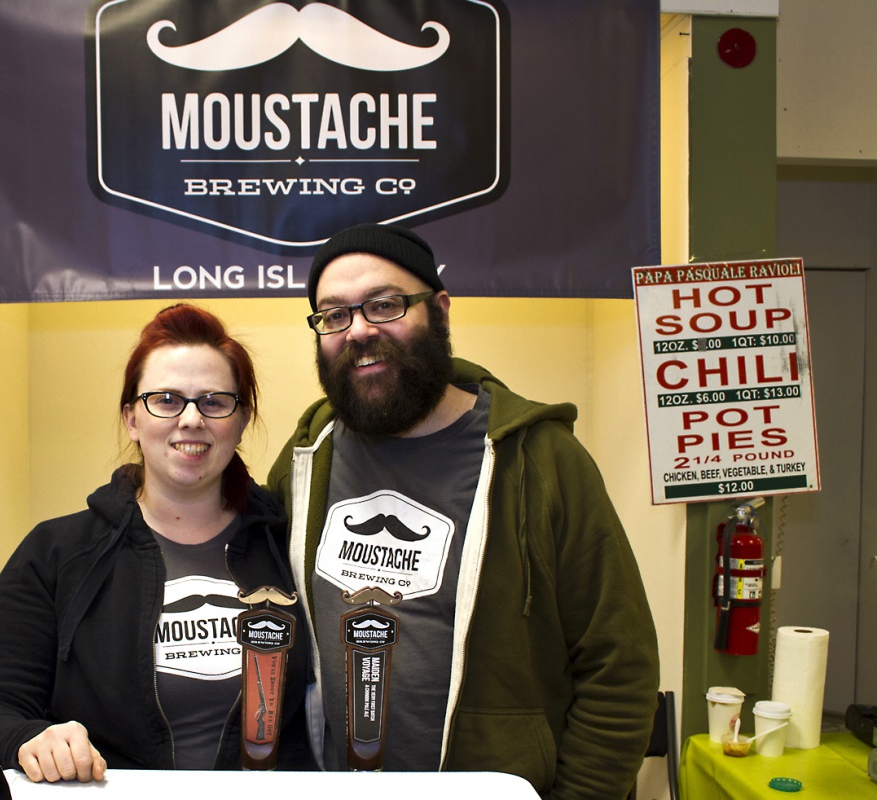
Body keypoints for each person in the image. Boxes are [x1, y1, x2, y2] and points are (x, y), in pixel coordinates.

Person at [267, 224, 660, 798]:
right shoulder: (308, 457)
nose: (359, 332)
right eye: (334, 315)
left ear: (440, 311)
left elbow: (619, 669)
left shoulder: (542, 462)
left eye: (385, 305)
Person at [0, 304, 313, 781]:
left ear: (241, 418)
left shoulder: (290, 546)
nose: (191, 419)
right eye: (166, 399)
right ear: (131, 418)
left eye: (214, 401)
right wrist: (30, 739)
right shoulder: (55, 555)